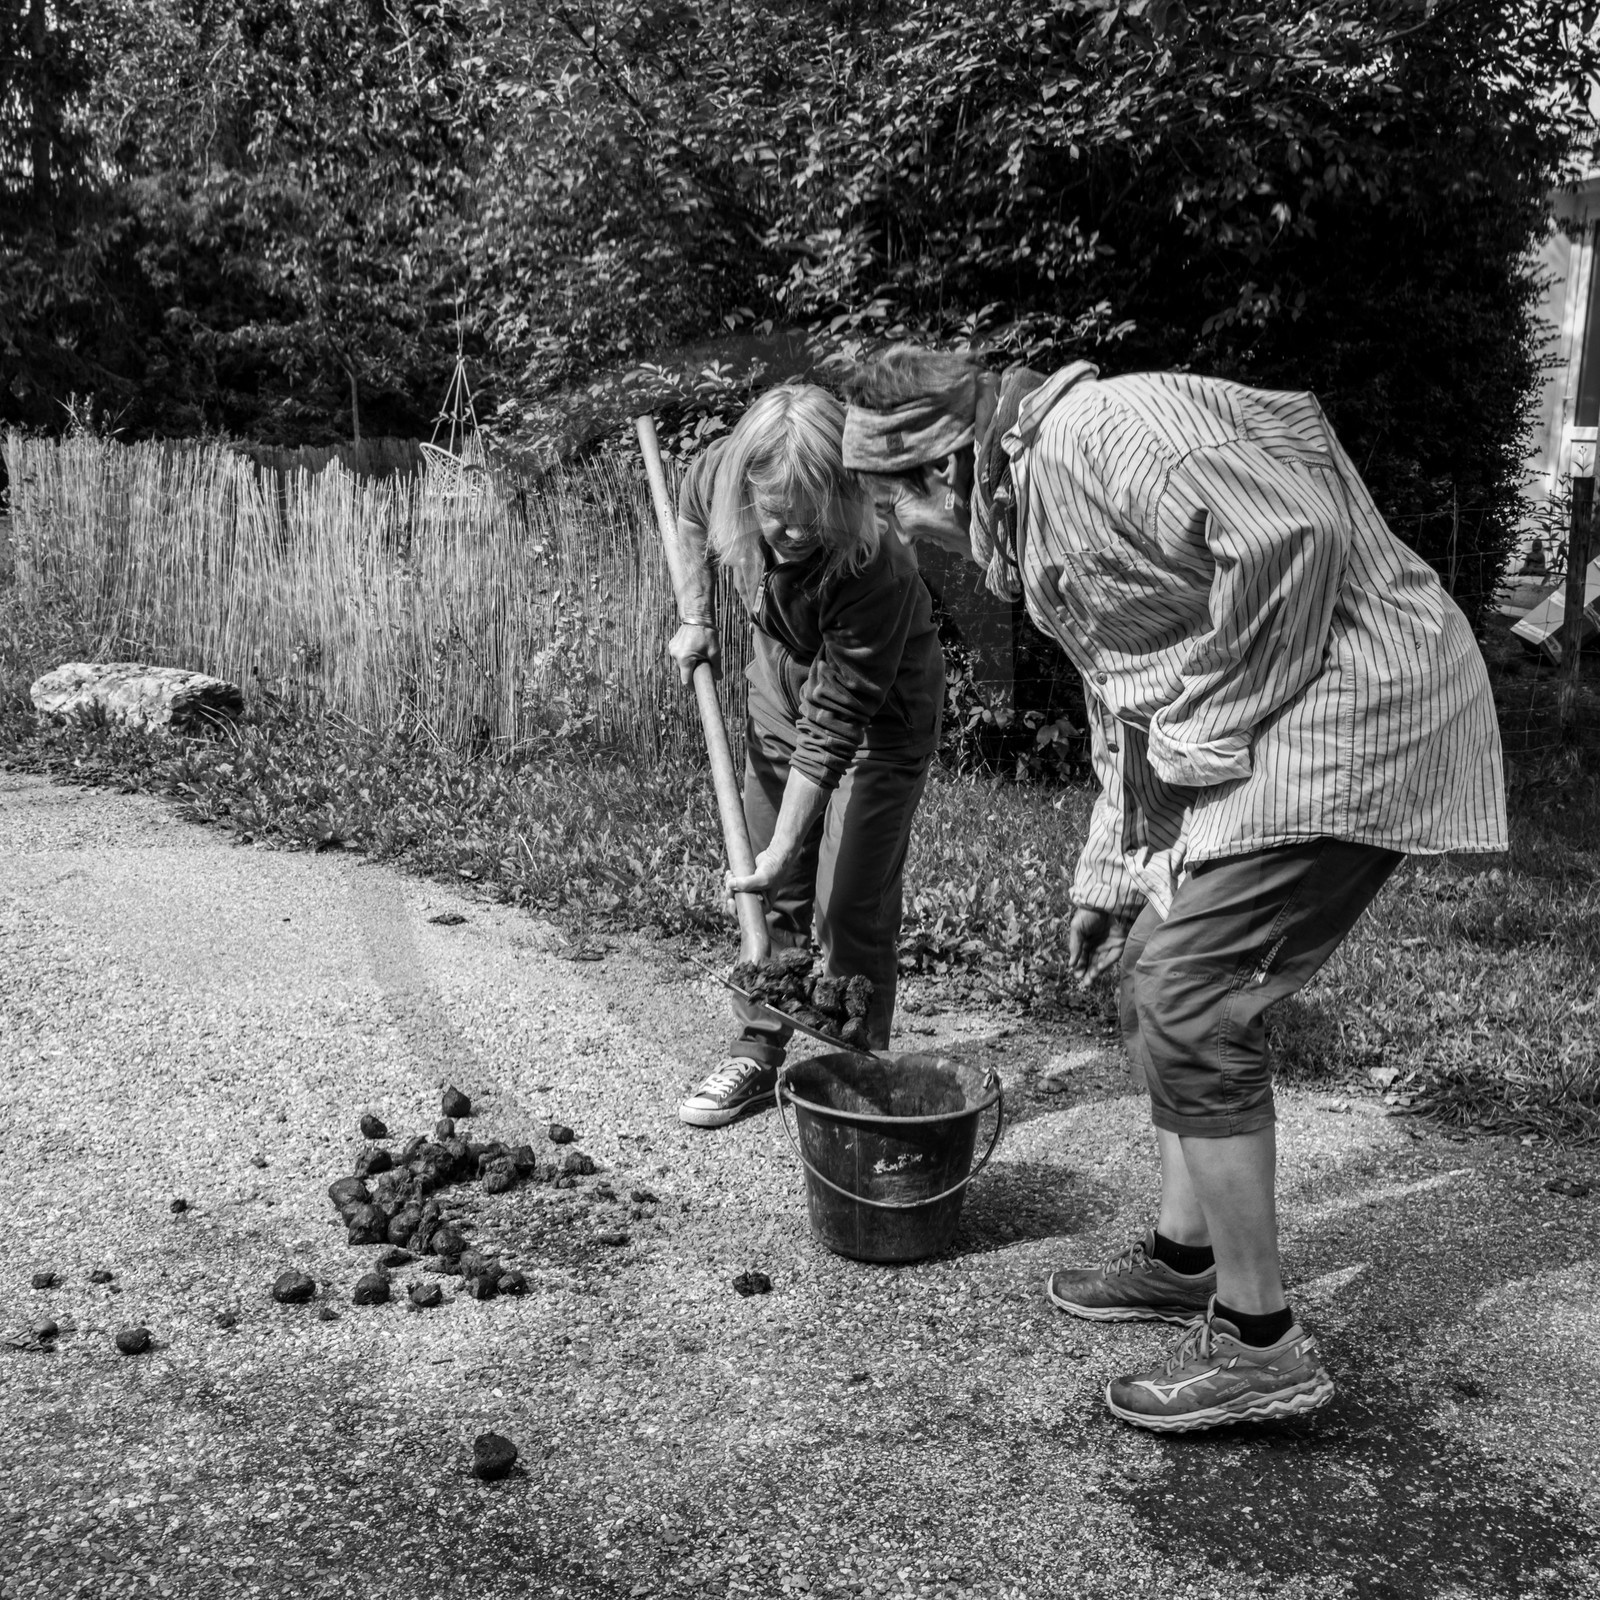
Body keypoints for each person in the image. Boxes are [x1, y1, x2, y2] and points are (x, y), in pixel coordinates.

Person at [841, 346, 1506, 1432]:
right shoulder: (1037, 494)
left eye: (891, 507)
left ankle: (1261, 1344)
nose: (904, 534)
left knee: (1192, 994)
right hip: (1274, 721)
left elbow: (1295, 537)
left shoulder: (1103, 433)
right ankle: (1183, 1257)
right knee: (1153, 960)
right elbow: (1123, 693)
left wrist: (1205, 731)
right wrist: (1111, 868)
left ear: (937, 467)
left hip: (1353, 705)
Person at [665, 383, 944, 1127]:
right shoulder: (727, 471)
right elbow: (688, 515)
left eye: (807, 515)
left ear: (845, 492)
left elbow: (835, 724)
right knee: (774, 893)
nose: (786, 533)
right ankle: (759, 1052)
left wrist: (791, 842)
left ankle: (859, 1072)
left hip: (879, 720)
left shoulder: (877, 561)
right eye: (771, 514)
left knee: (847, 899)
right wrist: (695, 615)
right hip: (776, 695)